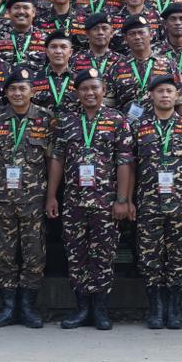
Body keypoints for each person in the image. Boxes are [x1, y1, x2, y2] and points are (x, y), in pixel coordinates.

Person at [47, 67, 133, 330]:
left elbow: (125, 163)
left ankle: (100, 309)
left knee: (103, 254)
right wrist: (52, 195)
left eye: (95, 88)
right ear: (77, 93)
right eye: (84, 88)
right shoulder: (67, 122)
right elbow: (57, 159)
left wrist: (122, 199)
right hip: (74, 200)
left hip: (105, 201)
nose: (90, 92)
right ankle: (81, 307)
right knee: (77, 254)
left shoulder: (118, 120)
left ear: (104, 91)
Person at [132, 74, 182, 330]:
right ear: (151, 95)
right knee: (149, 255)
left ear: (177, 96)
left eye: (169, 91)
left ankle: (174, 307)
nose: (165, 95)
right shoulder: (138, 126)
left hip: (181, 202)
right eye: (160, 91)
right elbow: (129, 166)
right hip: (148, 201)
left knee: (179, 255)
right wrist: (128, 199)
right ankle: (156, 307)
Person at [0, 66, 54, 329]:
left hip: (34, 198)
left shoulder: (46, 118)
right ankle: (8, 306)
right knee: (3, 251)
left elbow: (52, 161)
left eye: (22, 88)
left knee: (34, 251)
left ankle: (27, 306)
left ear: (32, 92)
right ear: (5, 92)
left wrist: (51, 196)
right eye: (12, 88)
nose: (17, 93)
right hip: (3, 197)